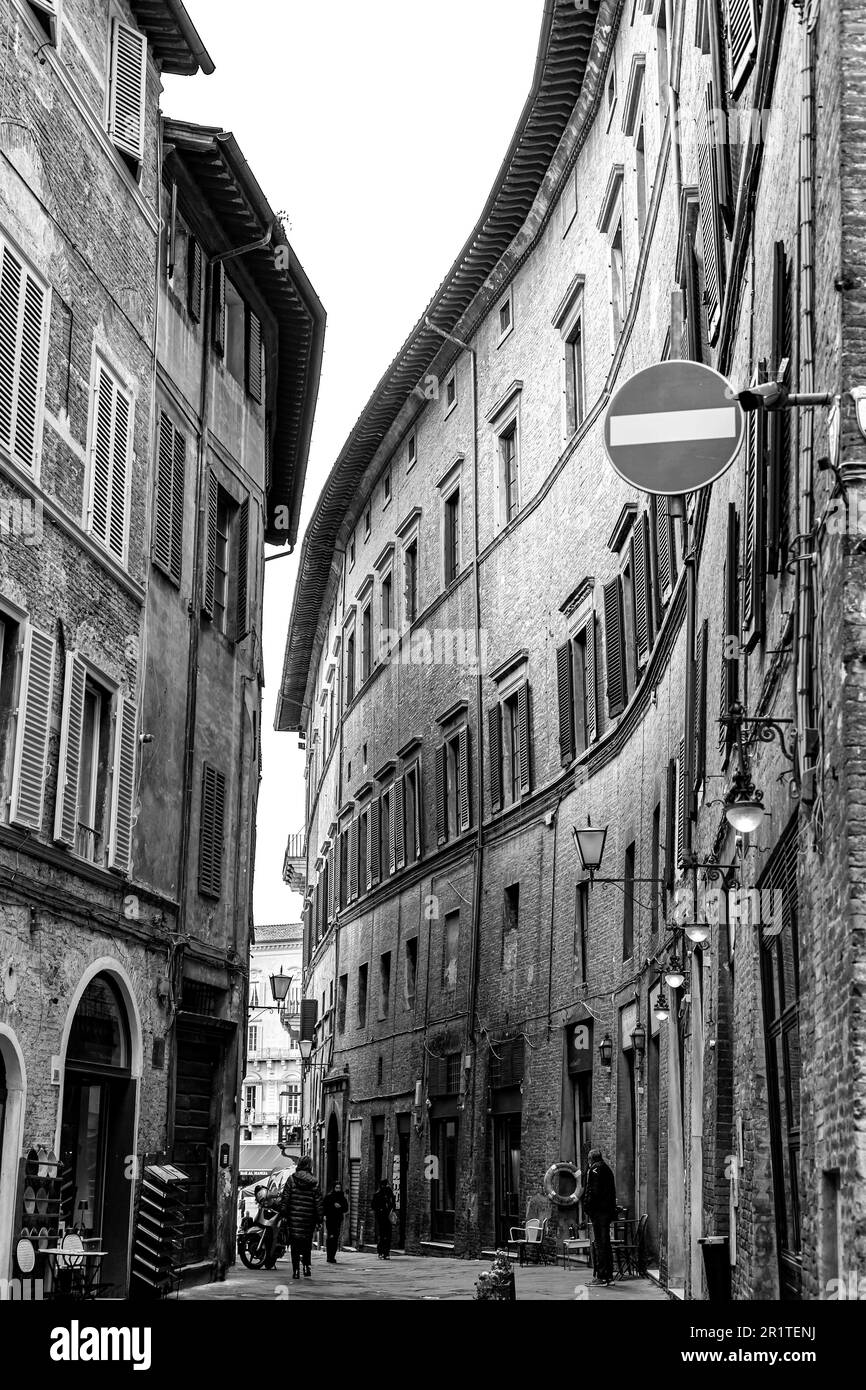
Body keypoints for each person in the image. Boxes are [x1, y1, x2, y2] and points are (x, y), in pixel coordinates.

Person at [580, 1147, 617, 1286]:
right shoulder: (607, 1169)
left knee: (600, 1244)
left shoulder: (595, 1170)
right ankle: (608, 1276)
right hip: (606, 1212)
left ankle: (601, 1276)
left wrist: (587, 1207)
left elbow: (593, 1192)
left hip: (599, 1213)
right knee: (605, 1244)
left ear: (590, 1159)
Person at [282, 1155, 324, 1279]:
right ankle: (306, 1267)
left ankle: (295, 1271)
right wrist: (319, 1219)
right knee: (306, 1244)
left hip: (294, 1219)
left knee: (295, 1245)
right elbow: (318, 1203)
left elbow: (285, 1199)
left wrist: (284, 1214)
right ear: (309, 1166)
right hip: (308, 1219)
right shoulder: (314, 1182)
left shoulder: (291, 1180)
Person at [322, 1181, 349, 1264]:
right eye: (336, 1188)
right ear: (334, 1188)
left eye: (339, 1188)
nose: (338, 1189)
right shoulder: (329, 1197)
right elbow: (324, 1207)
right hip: (330, 1220)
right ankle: (329, 1256)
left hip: (338, 1220)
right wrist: (332, 1207)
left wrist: (340, 1206)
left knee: (336, 1238)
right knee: (331, 1237)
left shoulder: (342, 1197)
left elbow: (346, 1208)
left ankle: (332, 1256)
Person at [371, 1179, 396, 1260]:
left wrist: (392, 1210)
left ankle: (386, 1252)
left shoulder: (390, 1194)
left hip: (388, 1217)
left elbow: (393, 1204)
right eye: (385, 1185)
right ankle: (381, 1252)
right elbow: (373, 1206)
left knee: (388, 1235)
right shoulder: (377, 1195)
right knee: (382, 1235)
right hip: (381, 1218)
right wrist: (380, 1210)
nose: (386, 1186)